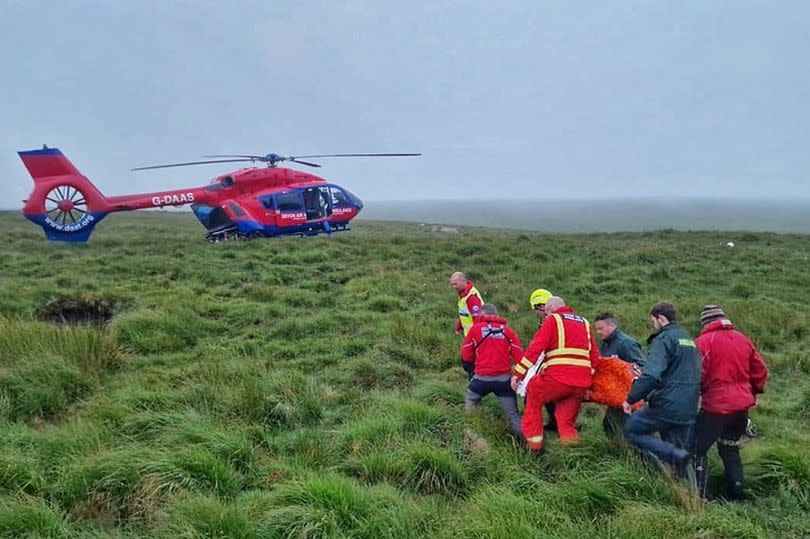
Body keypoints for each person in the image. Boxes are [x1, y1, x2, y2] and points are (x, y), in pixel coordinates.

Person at [693, 305, 768, 501]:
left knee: (696, 449)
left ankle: (703, 496)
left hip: (716, 407)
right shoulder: (743, 339)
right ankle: (736, 495)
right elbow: (760, 370)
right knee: (730, 449)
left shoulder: (704, 342)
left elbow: (696, 374)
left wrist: (696, 395)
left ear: (706, 323)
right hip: (741, 407)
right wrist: (753, 392)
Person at [511, 296, 600, 452]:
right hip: (581, 383)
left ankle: (534, 447)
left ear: (551, 309)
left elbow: (535, 348)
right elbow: (594, 356)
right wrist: (588, 376)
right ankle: (573, 454)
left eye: (546, 312)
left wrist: (518, 373)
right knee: (566, 423)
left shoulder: (553, 320)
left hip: (558, 378)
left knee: (533, 396)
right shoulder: (585, 323)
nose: (545, 316)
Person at [623, 301, 700, 477]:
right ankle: (690, 498)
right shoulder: (689, 339)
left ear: (661, 319)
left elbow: (651, 375)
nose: (653, 325)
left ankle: (672, 457)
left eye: (653, 321)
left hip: (667, 404)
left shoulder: (664, 339)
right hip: (689, 405)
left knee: (632, 429)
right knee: (683, 457)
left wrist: (631, 399)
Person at [461, 304, 524, 438]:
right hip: (504, 381)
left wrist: (471, 370)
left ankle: (471, 433)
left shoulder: (475, 329)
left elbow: (466, 353)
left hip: (481, 380)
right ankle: (530, 446)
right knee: (513, 415)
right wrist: (519, 377)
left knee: (470, 401)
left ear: (482, 315)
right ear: (496, 315)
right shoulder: (509, 332)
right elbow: (520, 356)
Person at [594, 312, 645, 437]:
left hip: (629, 396)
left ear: (612, 325)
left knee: (623, 427)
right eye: (597, 329)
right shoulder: (605, 344)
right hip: (615, 395)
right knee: (609, 425)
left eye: (601, 328)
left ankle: (640, 454)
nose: (598, 332)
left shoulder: (626, 343)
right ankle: (620, 450)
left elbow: (641, 366)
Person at [529, 288, 559, 432]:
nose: (536, 313)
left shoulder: (550, 322)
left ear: (541, 306)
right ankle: (554, 422)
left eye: (536, 309)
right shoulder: (549, 321)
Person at [450, 272, 484, 337]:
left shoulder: (471, 298)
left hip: (476, 336)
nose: (454, 287)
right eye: (452, 284)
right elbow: (465, 313)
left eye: (455, 284)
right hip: (469, 335)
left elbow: (477, 318)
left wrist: (474, 336)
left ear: (463, 281)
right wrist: (459, 325)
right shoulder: (463, 295)